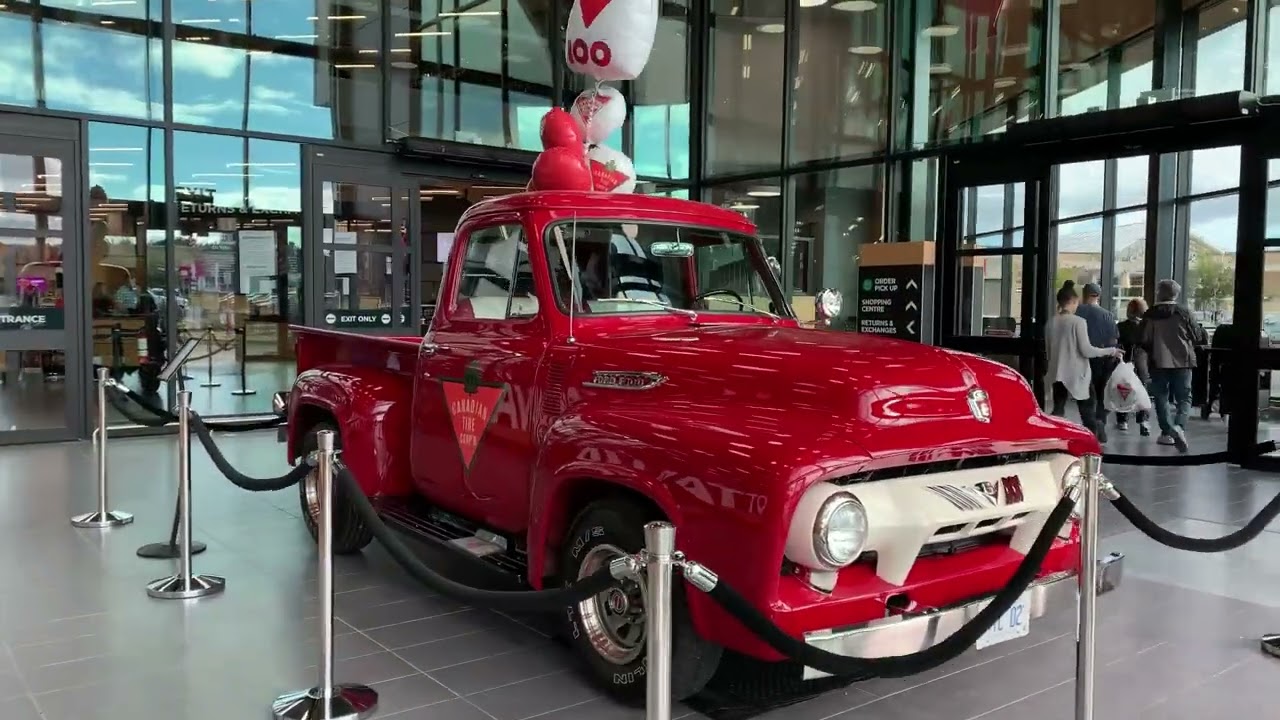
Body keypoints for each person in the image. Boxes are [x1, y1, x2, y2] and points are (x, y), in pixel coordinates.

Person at [1046, 281, 1124, 441]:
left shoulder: (1051, 322)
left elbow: (1048, 350)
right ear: (1073, 301)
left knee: (1058, 409)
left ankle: (1053, 438)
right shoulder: (1078, 322)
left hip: (1056, 372)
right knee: (1088, 410)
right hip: (1077, 374)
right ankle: (1093, 440)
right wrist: (1111, 351)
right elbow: (1087, 350)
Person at [1140, 279, 1206, 454]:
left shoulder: (1150, 314)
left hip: (1157, 361)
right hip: (1183, 361)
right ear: (1176, 294)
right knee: (1184, 398)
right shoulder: (1184, 313)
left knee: (1161, 397)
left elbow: (1143, 339)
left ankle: (1167, 431)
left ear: (1158, 293)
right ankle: (1179, 427)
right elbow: (1197, 336)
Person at [1074, 282, 1120, 431]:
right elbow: (1113, 339)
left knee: (1085, 393)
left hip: (1080, 358)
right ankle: (1100, 421)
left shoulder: (1076, 312)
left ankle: (1089, 424)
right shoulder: (1107, 315)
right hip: (1102, 359)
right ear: (1098, 296)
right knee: (1101, 393)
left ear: (1084, 294)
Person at [1115, 298, 1151, 435]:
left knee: (1123, 391)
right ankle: (1143, 420)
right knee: (1142, 391)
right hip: (1141, 364)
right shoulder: (1146, 327)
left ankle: (1122, 420)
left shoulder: (1121, 327)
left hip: (1125, 363)